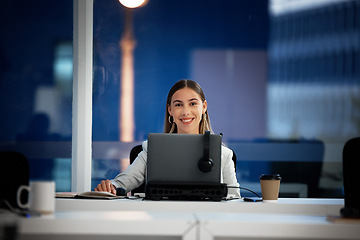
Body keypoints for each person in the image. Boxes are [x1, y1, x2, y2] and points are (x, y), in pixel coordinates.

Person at [95, 79, 240, 198]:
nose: (185, 111)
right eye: (178, 105)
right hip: (163, 220)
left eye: (193, 103)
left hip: (208, 220)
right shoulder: (153, 149)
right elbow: (126, 181)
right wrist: (112, 186)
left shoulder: (224, 154)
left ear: (204, 107)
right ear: (170, 110)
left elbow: (235, 198)